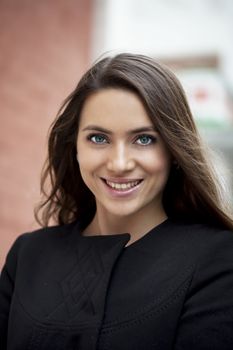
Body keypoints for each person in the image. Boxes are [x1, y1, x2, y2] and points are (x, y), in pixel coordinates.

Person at [0, 53, 233, 350]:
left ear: (174, 151)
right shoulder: (28, 255)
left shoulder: (216, 259)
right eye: (99, 138)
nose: (119, 163)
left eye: (144, 139)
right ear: (75, 148)